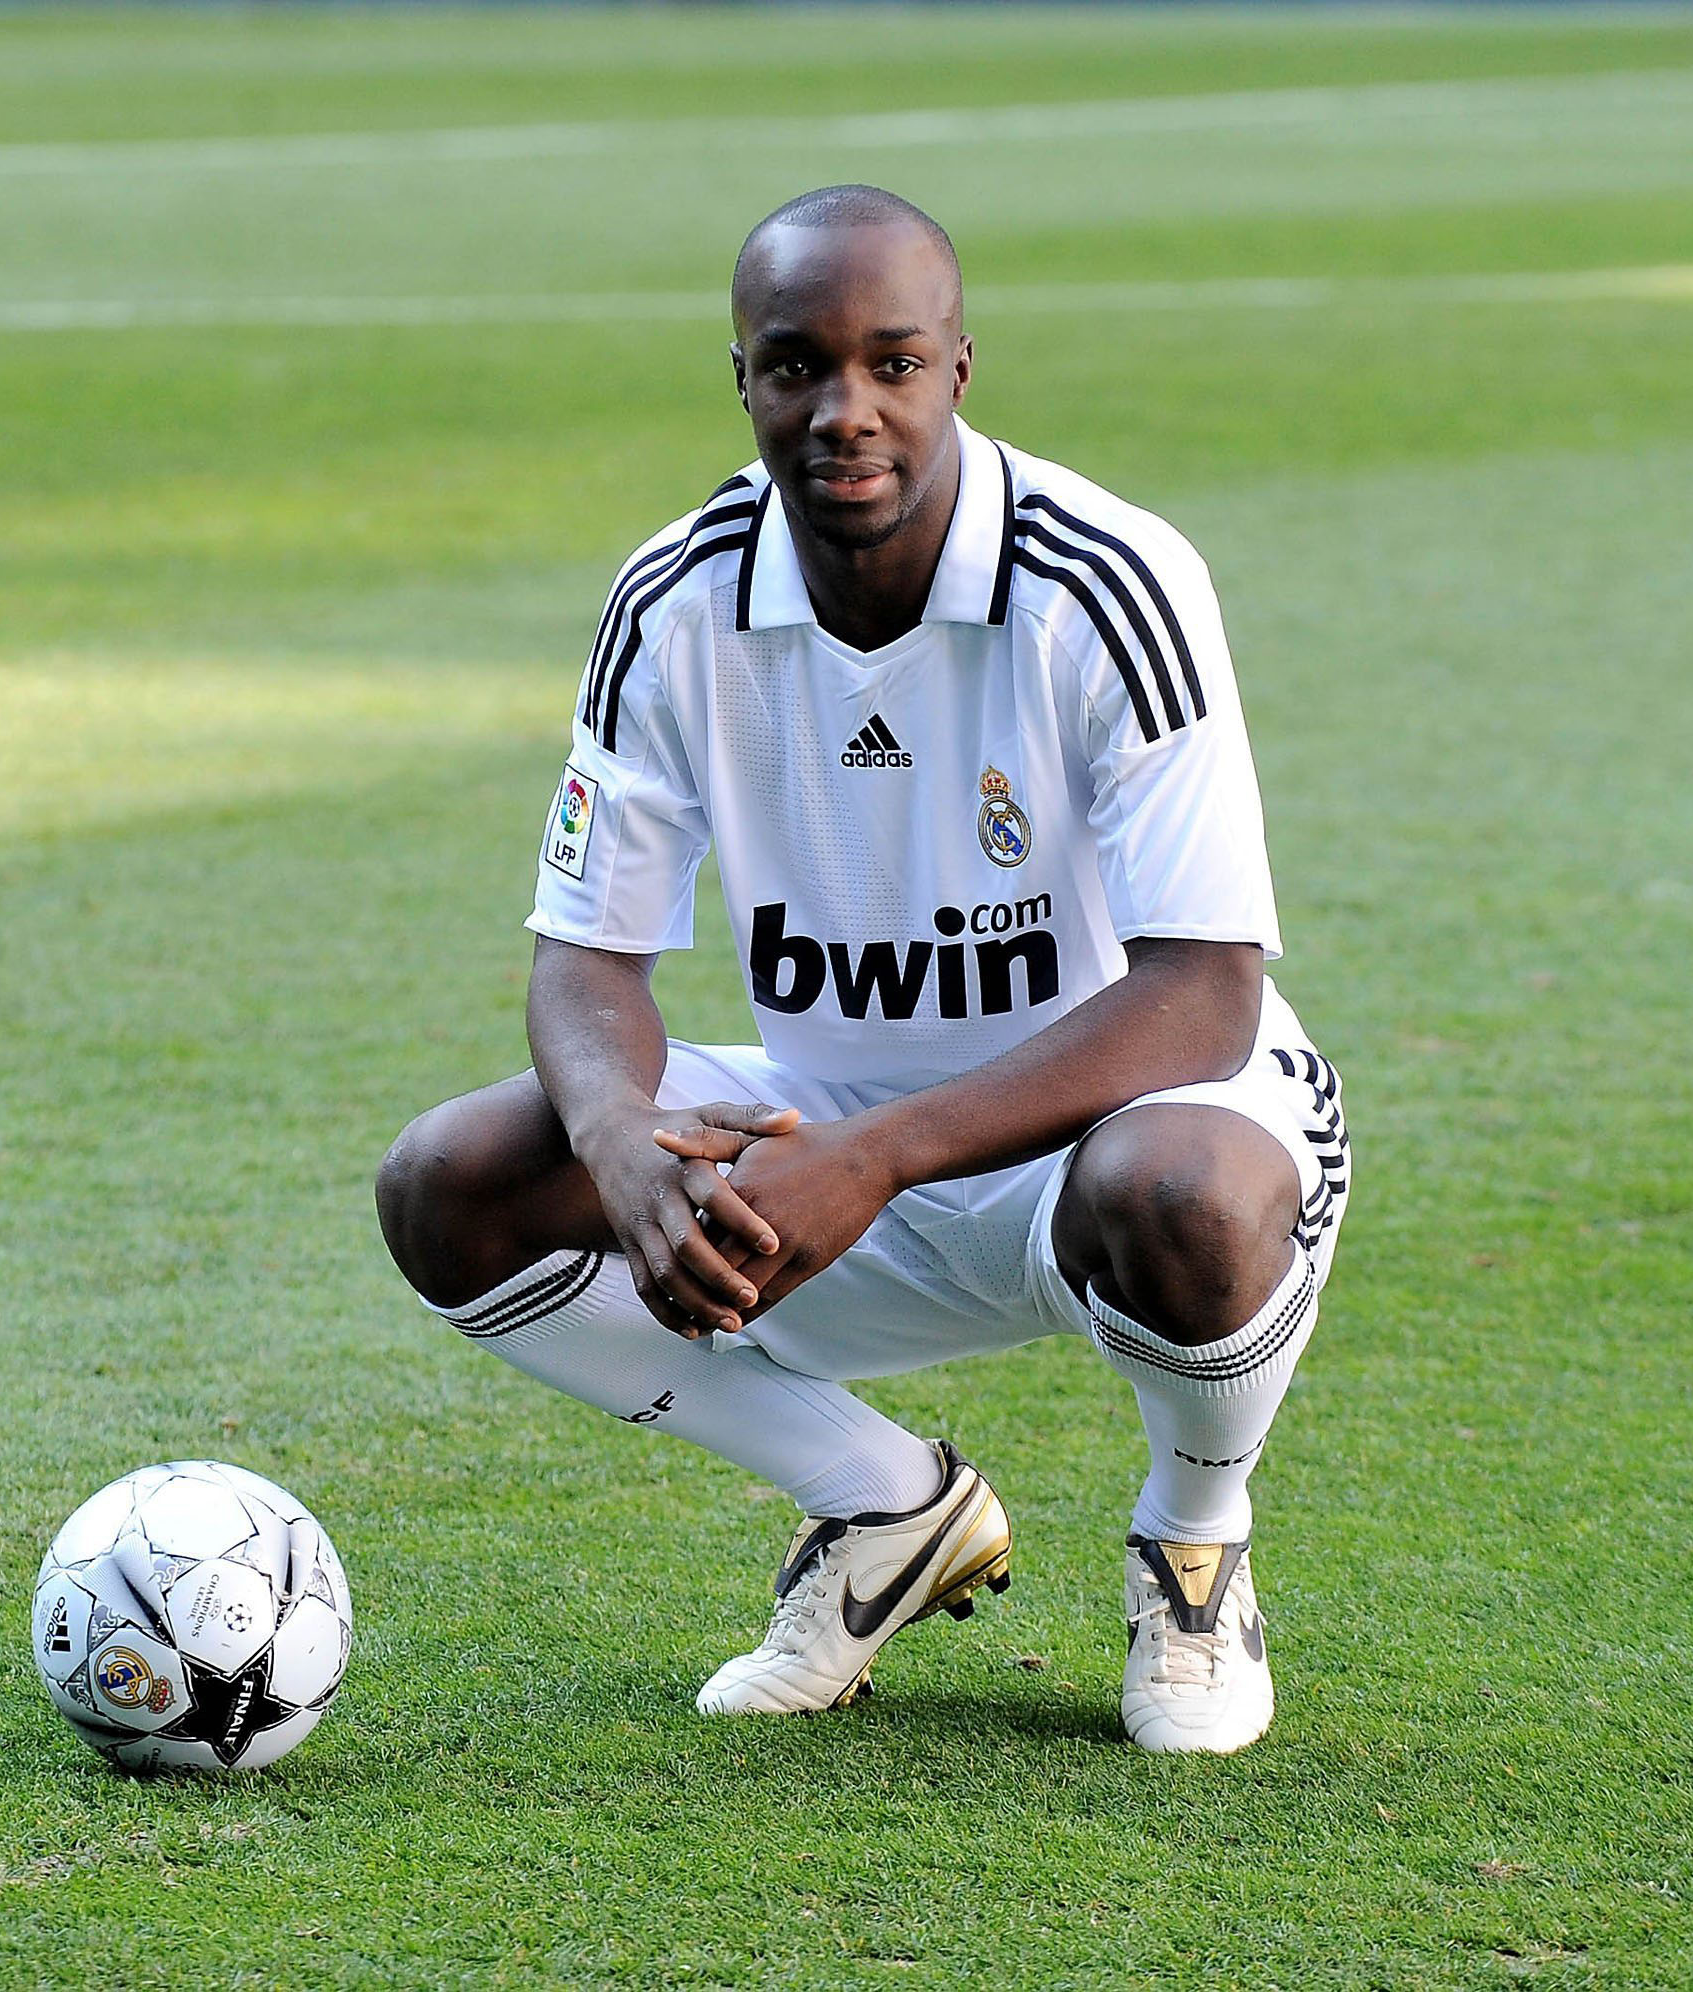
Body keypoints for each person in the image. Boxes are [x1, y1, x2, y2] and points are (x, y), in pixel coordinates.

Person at [377, 185, 1349, 1754]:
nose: (846, 413)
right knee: (452, 1184)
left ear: (961, 367)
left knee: (1181, 1194)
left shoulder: (1111, 581)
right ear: (744, 383)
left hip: (1109, 1142)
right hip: (822, 1148)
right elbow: (584, 956)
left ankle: (1195, 1542)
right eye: (796, 367)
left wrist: (880, 1159)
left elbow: (1204, 992)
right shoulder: (675, 600)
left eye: (891, 364)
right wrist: (626, 1146)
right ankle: (881, 1503)